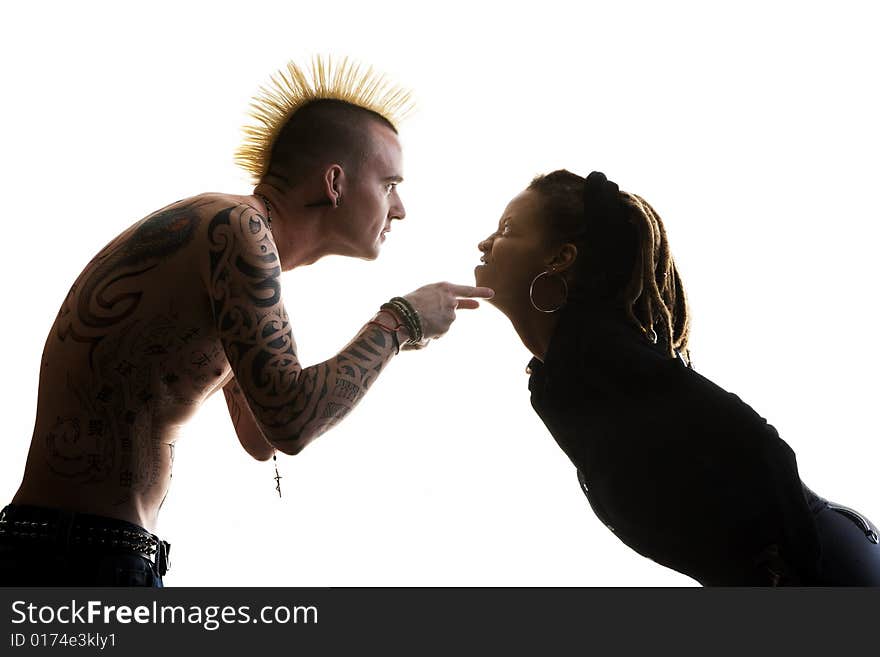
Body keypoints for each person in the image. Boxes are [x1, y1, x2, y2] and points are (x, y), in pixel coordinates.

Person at [0, 56, 494, 587]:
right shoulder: (237, 230)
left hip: (74, 547)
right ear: (334, 182)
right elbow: (292, 423)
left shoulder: (235, 243)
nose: (399, 209)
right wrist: (399, 322)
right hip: (76, 557)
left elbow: (260, 436)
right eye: (390, 183)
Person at [474, 169, 880, 585]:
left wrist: (796, 574)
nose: (485, 242)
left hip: (830, 564)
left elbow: (760, 444)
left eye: (508, 229)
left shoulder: (598, 352)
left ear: (560, 257)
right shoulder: (557, 377)